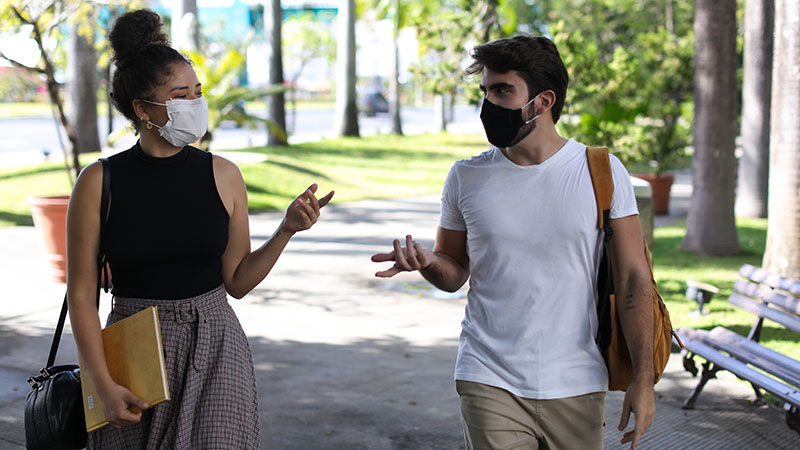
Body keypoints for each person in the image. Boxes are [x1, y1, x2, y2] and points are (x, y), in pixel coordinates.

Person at [371, 35, 655, 450]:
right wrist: (429, 262)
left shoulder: (602, 172)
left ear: (543, 101)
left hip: (576, 379)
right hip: (488, 374)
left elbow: (634, 280)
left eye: (503, 90)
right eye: (486, 90)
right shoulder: (466, 177)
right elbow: (453, 273)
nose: (489, 103)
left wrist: (643, 382)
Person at [66, 9, 333, 449]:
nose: (195, 104)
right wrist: (101, 383)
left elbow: (238, 281)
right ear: (143, 109)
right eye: (180, 94)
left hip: (216, 346)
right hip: (133, 351)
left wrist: (286, 230)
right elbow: (80, 294)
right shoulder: (98, 183)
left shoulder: (224, 175)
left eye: (197, 92)